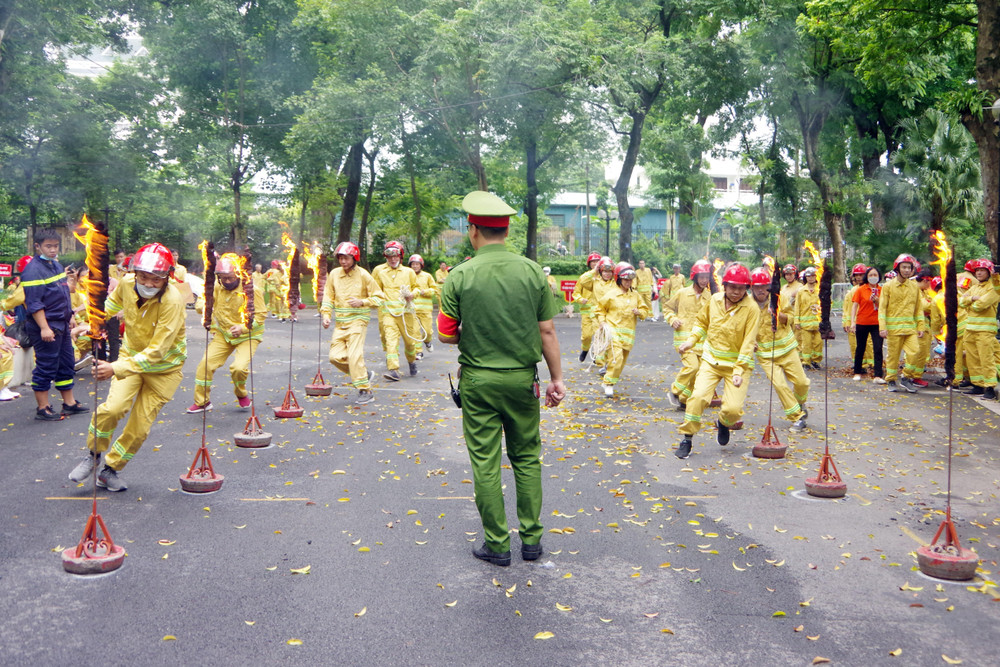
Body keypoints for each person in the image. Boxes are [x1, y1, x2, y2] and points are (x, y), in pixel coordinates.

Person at [438, 190, 565, 567]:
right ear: (506, 231)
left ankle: (497, 544)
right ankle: (532, 541)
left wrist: (474, 332)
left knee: (485, 462)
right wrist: (557, 379)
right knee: (526, 458)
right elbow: (546, 330)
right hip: (523, 381)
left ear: (473, 231)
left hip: (479, 383)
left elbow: (445, 334)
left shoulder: (459, 275)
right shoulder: (532, 271)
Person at [67, 243, 187, 492]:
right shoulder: (126, 283)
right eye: (144, 276)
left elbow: (158, 351)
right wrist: (92, 324)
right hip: (130, 358)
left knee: (139, 427)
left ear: (167, 276)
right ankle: (93, 455)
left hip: (164, 370)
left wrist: (114, 368)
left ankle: (111, 469)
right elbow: (110, 307)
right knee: (112, 409)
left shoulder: (173, 301)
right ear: (135, 273)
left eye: (156, 278)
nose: (149, 283)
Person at [675, 263, 760, 459]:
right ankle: (687, 438)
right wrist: (691, 341)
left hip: (737, 366)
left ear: (746, 288)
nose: (736, 292)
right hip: (711, 361)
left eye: (741, 288)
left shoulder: (752, 309)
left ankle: (723, 422)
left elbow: (749, 343)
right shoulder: (714, 300)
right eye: (733, 287)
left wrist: (738, 371)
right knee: (697, 398)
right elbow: (702, 322)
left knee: (733, 410)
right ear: (725, 285)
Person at [20, 229, 89, 421]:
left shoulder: (56, 265)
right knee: (46, 365)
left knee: (66, 363)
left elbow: (63, 293)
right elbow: (34, 303)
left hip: (62, 323)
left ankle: (69, 403)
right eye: (48, 246)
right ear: (38, 246)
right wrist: (44, 328)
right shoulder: (33, 270)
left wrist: (70, 316)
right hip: (46, 326)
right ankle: (43, 408)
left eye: (55, 246)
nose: (52, 250)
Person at [187, 254, 267, 413]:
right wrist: (204, 307)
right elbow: (203, 298)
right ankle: (202, 402)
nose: (227, 282)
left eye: (230, 278)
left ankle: (241, 393)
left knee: (238, 368)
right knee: (205, 365)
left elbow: (260, 316)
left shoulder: (251, 290)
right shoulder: (217, 286)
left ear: (238, 274)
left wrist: (243, 328)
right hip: (224, 335)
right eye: (223, 278)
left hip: (248, 336)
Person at [320, 242, 385, 405]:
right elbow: (328, 296)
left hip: (358, 321)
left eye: (346, 258)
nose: (343, 261)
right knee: (334, 357)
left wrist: (362, 302)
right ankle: (363, 374)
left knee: (355, 356)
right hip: (340, 323)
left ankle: (365, 390)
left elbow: (380, 298)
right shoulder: (334, 274)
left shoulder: (363, 275)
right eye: (341, 258)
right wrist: (326, 315)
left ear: (354, 258)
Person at [749, 267, 808, 432]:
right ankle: (797, 417)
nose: (761, 290)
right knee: (780, 385)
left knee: (802, 383)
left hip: (787, 349)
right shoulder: (747, 305)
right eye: (757, 287)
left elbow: (792, 317)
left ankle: (800, 404)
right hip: (766, 355)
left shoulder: (780, 298)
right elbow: (742, 327)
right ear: (751, 287)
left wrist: (779, 316)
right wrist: (750, 342)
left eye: (764, 286)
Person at [663, 260, 714, 407]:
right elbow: (667, 308)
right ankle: (674, 391)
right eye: (701, 277)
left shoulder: (709, 297)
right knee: (692, 367)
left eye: (706, 277)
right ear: (695, 277)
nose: (704, 280)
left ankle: (684, 399)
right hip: (684, 339)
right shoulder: (682, 293)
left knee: (699, 373)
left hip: (701, 341)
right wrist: (672, 319)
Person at [597, 262, 650, 396]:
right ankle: (608, 384)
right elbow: (600, 309)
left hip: (628, 336)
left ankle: (609, 382)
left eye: (630, 280)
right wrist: (602, 322)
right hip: (612, 331)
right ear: (619, 279)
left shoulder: (635, 295)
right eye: (625, 279)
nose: (628, 282)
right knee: (617, 358)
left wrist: (639, 312)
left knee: (621, 363)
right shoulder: (611, 295)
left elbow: (645, 311)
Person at [372, 241, 420, 381]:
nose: (393, 259)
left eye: (395, 256)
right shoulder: (381, 272)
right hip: (389, 313)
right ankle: (393, 369)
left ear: (400, 257)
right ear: (386, 257)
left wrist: (412, 295)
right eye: (389, 257)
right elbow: (376, 290)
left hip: (406, 314)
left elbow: (416, 287)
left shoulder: (409, 272)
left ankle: (411, 361)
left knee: (410, 343)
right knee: (391, 341)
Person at [879, 254, 925, 393]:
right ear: (897, 269)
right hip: (894, 330)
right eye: (904, 267)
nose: (906, 270)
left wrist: (921, 325)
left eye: (909, 268)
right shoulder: (888, 286)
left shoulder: (914, 287)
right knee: (893, 356)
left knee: (915, 352)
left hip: (910, 328)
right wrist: (882, 327)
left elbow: (918, 308)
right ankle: (891, 380)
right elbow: (882, 308)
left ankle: (906, 377)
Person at [959, 259, 999, 399]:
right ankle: (978, 385)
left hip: (985, 331)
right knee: (973, 360)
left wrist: (970, 301)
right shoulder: (975, 287)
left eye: (982, 270)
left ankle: (990, 388)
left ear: (989, 272)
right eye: (977, 270)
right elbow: (961, 302)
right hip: (970, 329)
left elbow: (980, 305)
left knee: (986, 359)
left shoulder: (994, 288)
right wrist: (972, 299)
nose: (979, 273)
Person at [850, 266, 886, 384]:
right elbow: (854, 306)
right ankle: (857, 372)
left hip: (877, 323)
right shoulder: (861, 289)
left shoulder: (882, 290)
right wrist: (852, 322)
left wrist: (877, 301)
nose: (873, 277)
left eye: (875, 275)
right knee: (860, 347)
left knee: (878, 348)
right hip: (862, 322)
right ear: (867, 277)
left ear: (879, 277)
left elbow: (885, 307)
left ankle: (878, 375)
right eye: (870, 275)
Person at [572, 252, 602, 362]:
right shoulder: (585, 277)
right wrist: (581, 299)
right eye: (593, 262)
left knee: (599, 334)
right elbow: (576, 293)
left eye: (597, 261)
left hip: (598, 312)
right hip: (586, 312)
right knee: (586, 336)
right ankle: (585, 350)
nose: (595, 264)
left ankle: (596, 354)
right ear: (589, 264)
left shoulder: (603, 277)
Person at [408, 254, 438, 358]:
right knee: (415, 331)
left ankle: (427, 341)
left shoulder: (427, 276)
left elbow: (434, 289)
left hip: (425, 310)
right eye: (413, 264)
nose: (415, 266)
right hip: (412, 310)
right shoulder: (407, 276)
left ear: (421, 265)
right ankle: (418, 352)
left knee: (428, 331)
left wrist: (425, 292)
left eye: (417, 264)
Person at [843, 264, 872, 372]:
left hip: (868, 321)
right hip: (855, 322)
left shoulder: (871, 289)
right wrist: (847, 323)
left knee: (869, 344)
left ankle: (872, 364)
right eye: (857, 275)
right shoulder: (852, 291)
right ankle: (860, 365)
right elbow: (848, 309)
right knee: (855, 344)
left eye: (861, 275)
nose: (859, 277)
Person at [793, 266, 822, 369]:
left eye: (813, 276)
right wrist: (797, 321)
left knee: (818, 343)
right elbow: (797, 306)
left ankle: (816, 360)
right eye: (808, 276)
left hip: (818, 322)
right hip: (805, 323)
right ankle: (806, 362)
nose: (811, 278)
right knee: (806, 344)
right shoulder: (801, 291)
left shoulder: (820, 289)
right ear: (806, 277)